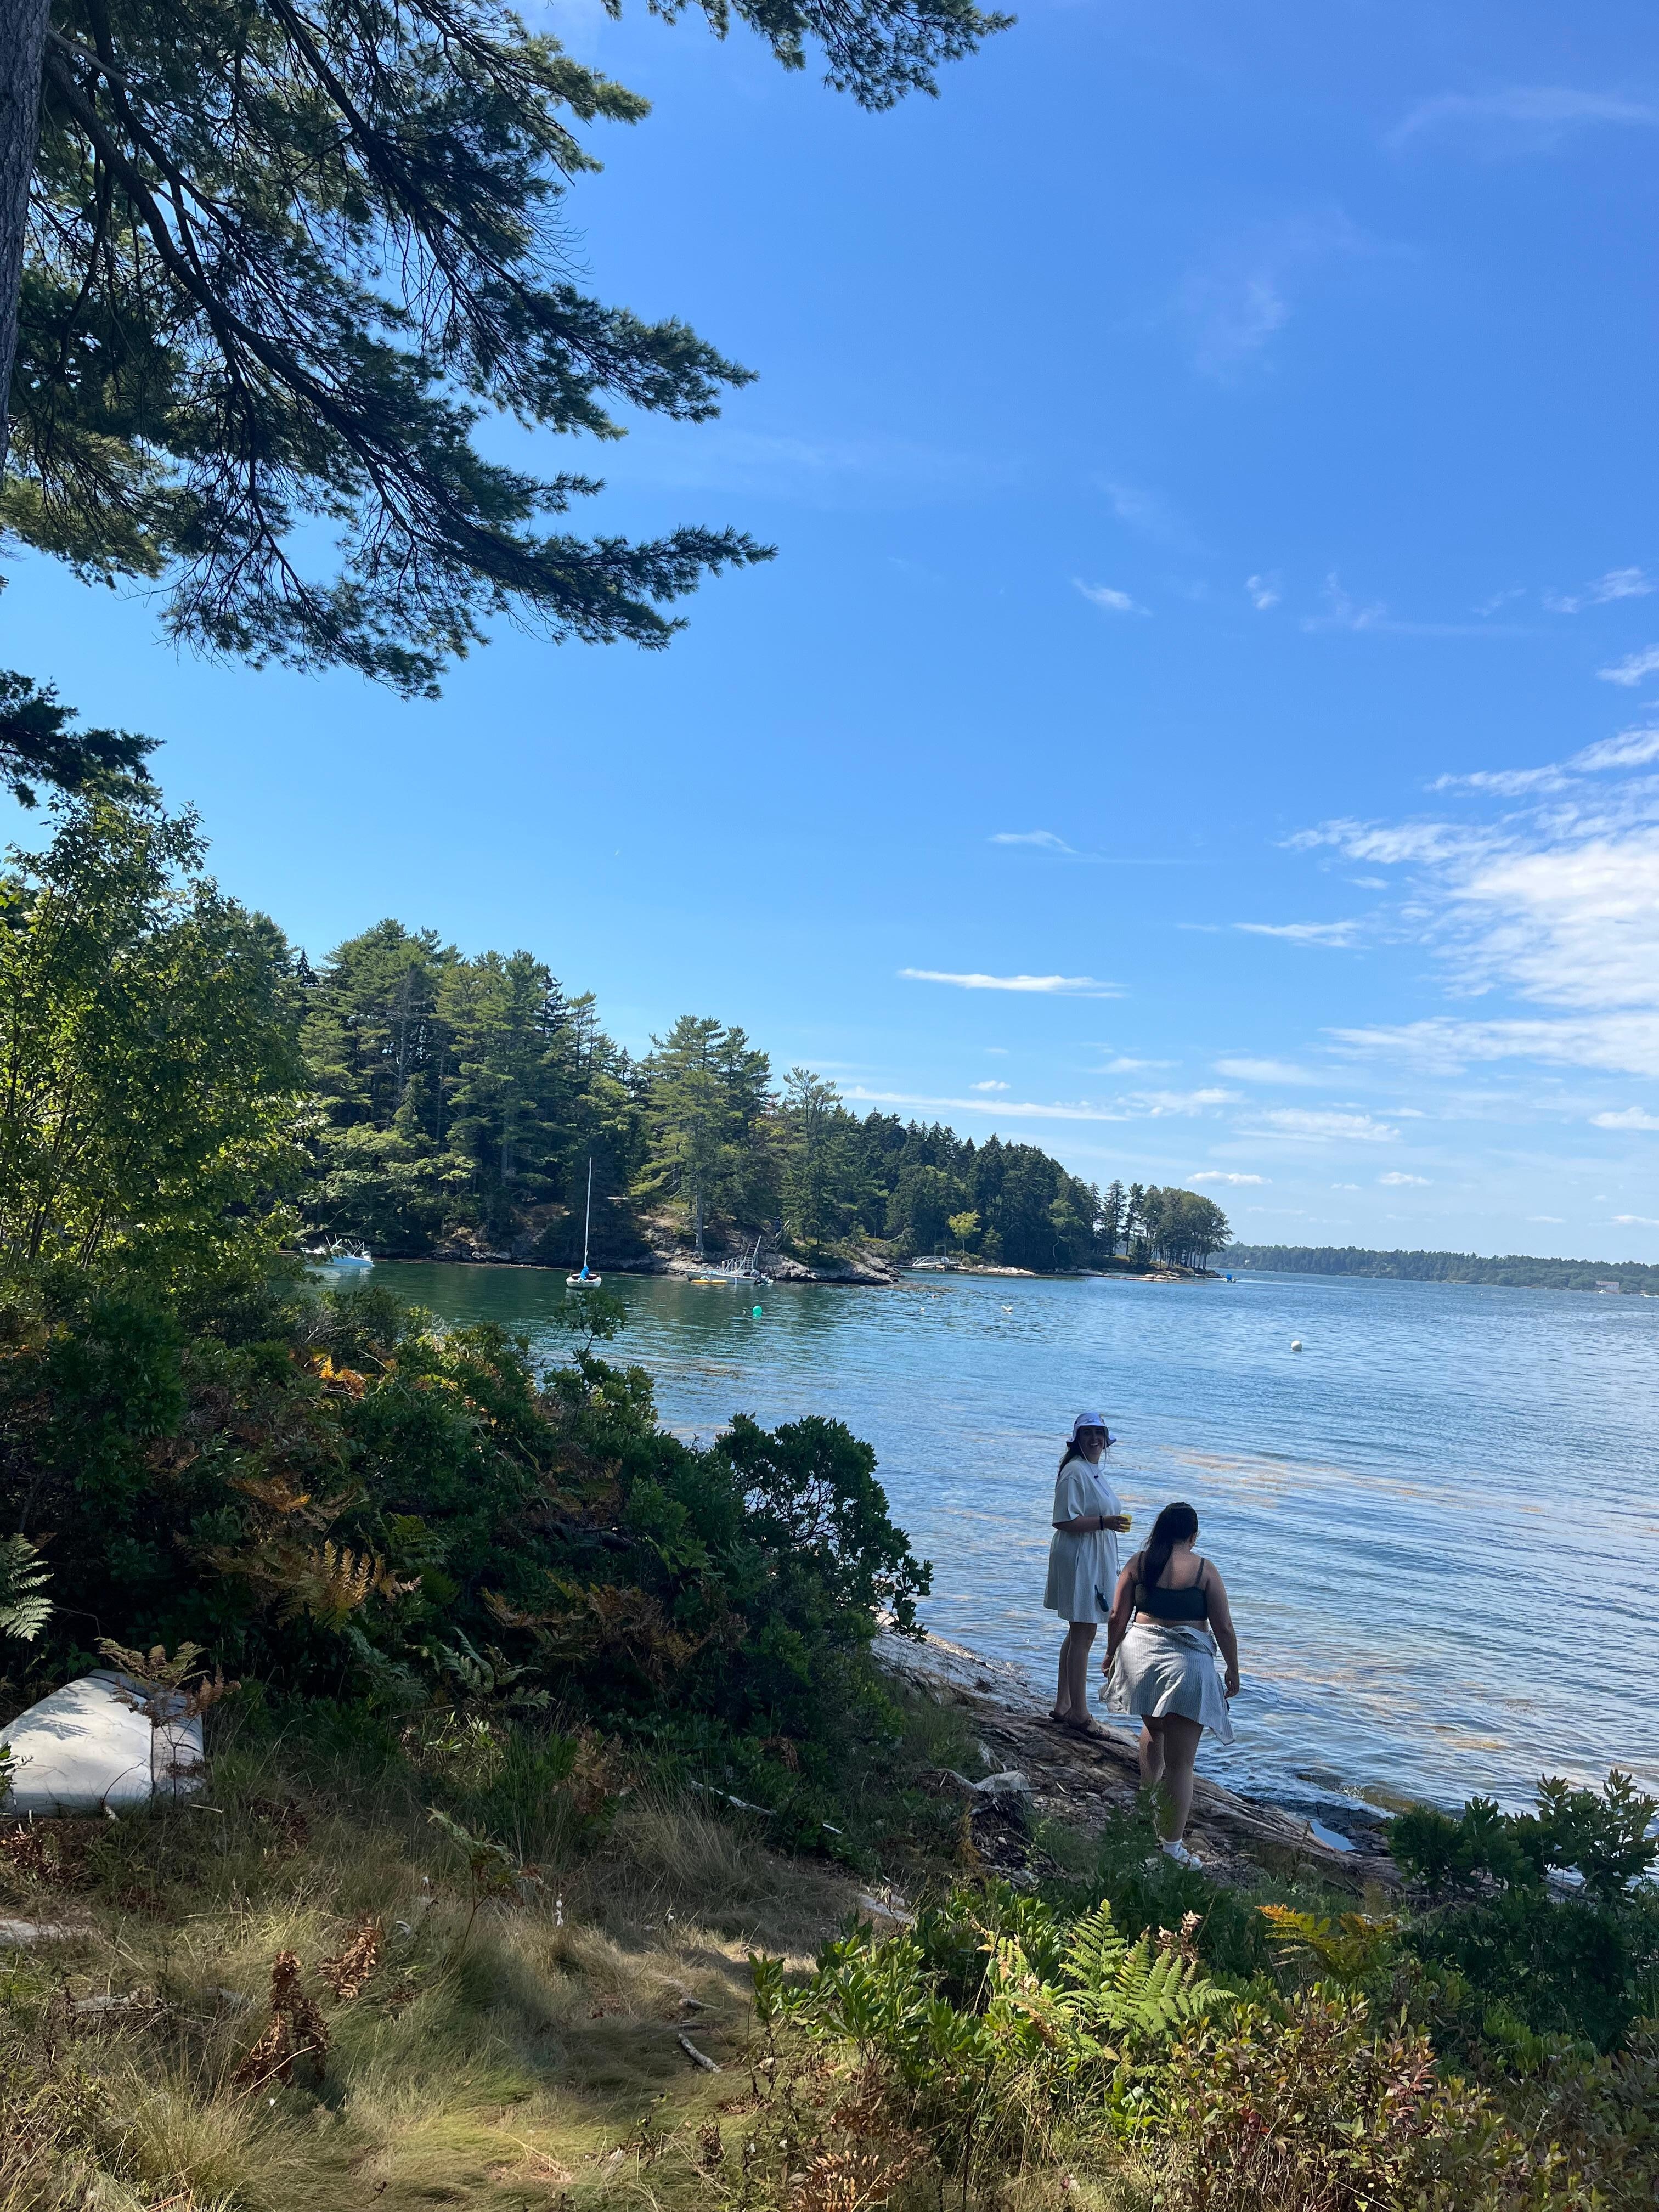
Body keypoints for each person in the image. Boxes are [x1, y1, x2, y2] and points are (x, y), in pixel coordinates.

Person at [1102, 1502, 1239, 1868]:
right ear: (1193, 1536)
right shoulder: (1204, 1570)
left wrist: (1110, 1653)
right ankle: (1171, 1850)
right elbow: (1223, 1628)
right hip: (1186, 1667)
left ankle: (1148, 1811)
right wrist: (1233, 1670)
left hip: (1140, 1657)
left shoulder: (1140, 1563)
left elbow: (1118, 1616)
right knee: (1181, 1765)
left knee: (1153, 1727)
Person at [1043, 1412, 1132, 1736]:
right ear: (1078, 1439)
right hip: (1080, 1557)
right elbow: (1063, 1521)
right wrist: (1104, 1523)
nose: (1095, 1439)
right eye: (1088, 1434)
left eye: (1099, 1433)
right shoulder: (1074, 1472)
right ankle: (1079, 1713)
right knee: (1084, 1633)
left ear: (1106, 1439)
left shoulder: (1092, 1471)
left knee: (1077, 1631)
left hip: (1093, 1555)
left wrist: (1107, 1525)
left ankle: (1063, 1703)